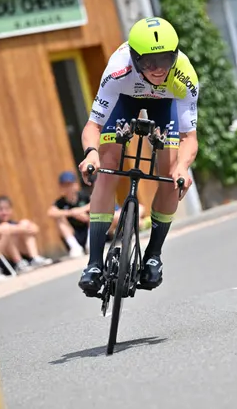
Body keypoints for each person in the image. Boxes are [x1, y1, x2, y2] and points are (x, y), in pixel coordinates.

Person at [77, 17, 199, 295]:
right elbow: (93, 126)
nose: (157, 69)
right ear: (134, 59)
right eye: (148, 63)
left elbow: (189, 138)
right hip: (125, 100)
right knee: (107, 165)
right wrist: (91, 154)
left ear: (175, 55)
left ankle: (153, 255)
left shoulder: (183, 76)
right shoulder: (118, 69)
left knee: (170, 177)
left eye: (165, 59)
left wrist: (182, 167)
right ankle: (95, 263)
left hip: (165, 103)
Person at [0, 195, 54, 268]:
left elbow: (33, 228)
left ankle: (35, 258)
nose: (4, 212)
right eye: (0, 209)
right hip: (5, 256)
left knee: (25, 223)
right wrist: (23, 229)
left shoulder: (12, 223)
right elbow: (0, 229)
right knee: (6, 229)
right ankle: (19, 263)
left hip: (22, 251)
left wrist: (33, 228)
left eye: (7, 209)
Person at [47, 171, 91, 258]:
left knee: (94, 215)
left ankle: (91, 244)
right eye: (65, 185)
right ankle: (75, 247)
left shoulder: (84, 196)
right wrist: (71, 213)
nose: (68, 188)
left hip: (87, 229)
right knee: (59, 219)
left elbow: (95, 204)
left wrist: (80, 211)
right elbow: (51, 212)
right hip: (73, 233)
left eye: (70, 184)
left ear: (76, 185)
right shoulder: (60, 202)